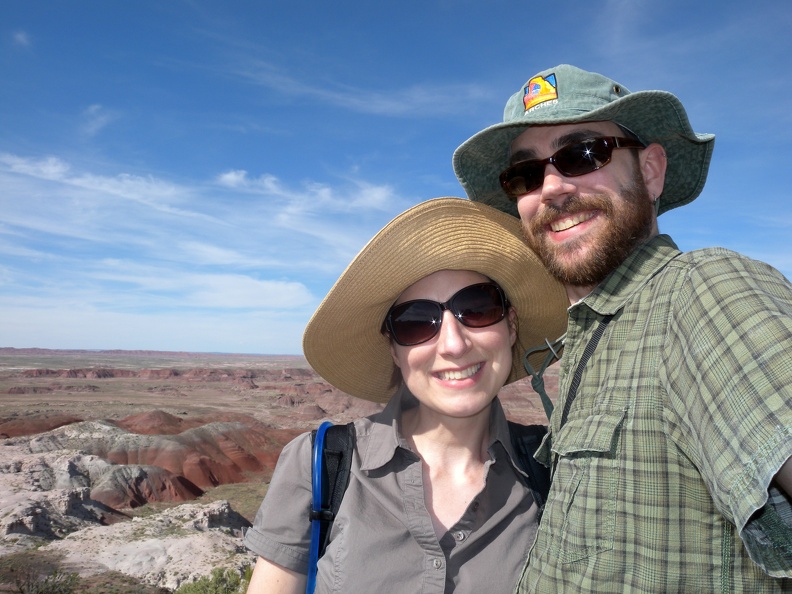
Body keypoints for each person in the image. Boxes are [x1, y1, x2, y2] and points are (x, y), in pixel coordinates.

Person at [453, 63, 792, 592]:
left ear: (651, 171)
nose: (553, 188)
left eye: (583, 153)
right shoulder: (595, 336)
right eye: (525, 175)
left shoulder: (702, 290)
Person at [243, 197, 568, 594]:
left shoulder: (555, 470)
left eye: (477, 308)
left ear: (511, 326)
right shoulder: (319, 465)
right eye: (417, 322)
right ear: (394, 349)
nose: (453, 344)